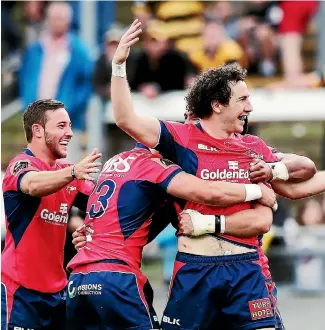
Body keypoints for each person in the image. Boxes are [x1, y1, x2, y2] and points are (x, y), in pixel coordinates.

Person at [110, 20, 317, 330]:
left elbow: (303, 182)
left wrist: (275, 170)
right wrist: (118, 67)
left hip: (245, 269)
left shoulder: (252, 147)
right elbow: (126, 118)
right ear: (218, 105)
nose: (250, 106)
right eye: (243, 100)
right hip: (195, 270)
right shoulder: (180, 138)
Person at [66, 142, 277, 330]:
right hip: (117, 276)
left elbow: (124, 216)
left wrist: (91, 232)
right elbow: (208, 191)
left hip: (78, 278)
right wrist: (256, 191)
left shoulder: (116, 161)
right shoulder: (153, 164)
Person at [1, 99, 101, 330]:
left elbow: (105, 205)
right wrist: (74, 172)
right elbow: (33, 185)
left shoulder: (66, 174)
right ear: (37, 130)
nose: (70, 133)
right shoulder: (21, 165)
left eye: (70, 126)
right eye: (61, 126)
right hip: (20, 293)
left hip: (58, 293)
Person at [19, 2, 93, 164]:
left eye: (61, 18)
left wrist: (69, 109)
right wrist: (27, 105)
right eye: (54, 18)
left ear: (68, 21)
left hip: (66, 120)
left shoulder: (79, 50)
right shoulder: (36, 48)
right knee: (37, 167)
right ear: (48, 19)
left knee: (65, 168)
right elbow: (25, 79)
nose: (57, 22)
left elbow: (87, 84)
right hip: (37, 119)